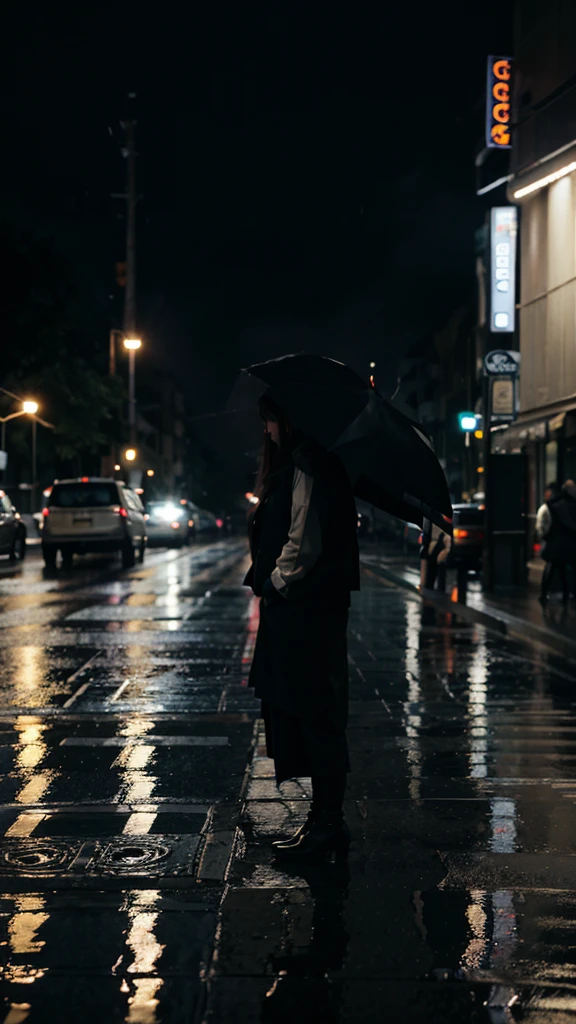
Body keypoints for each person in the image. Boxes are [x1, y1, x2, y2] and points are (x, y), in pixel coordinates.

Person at [245, 393, 360, 862]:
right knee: (307, 711)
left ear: (287, 420)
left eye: (269, 422)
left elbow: (303, 539)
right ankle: (321, 821)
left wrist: (275, 582)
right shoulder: (299, 462)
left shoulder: (309, 464)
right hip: (298, 611)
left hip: (306, 610)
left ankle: (329, 825)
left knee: (317, 713)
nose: (266, 431)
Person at [539, 480, 576, 604]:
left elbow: (548, 526)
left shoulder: (555, 505)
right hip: (570, 544)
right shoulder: (571, 506)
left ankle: (545, 595)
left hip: (557, 543)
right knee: (564, 571)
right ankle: (567, 595)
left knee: (555, 569)